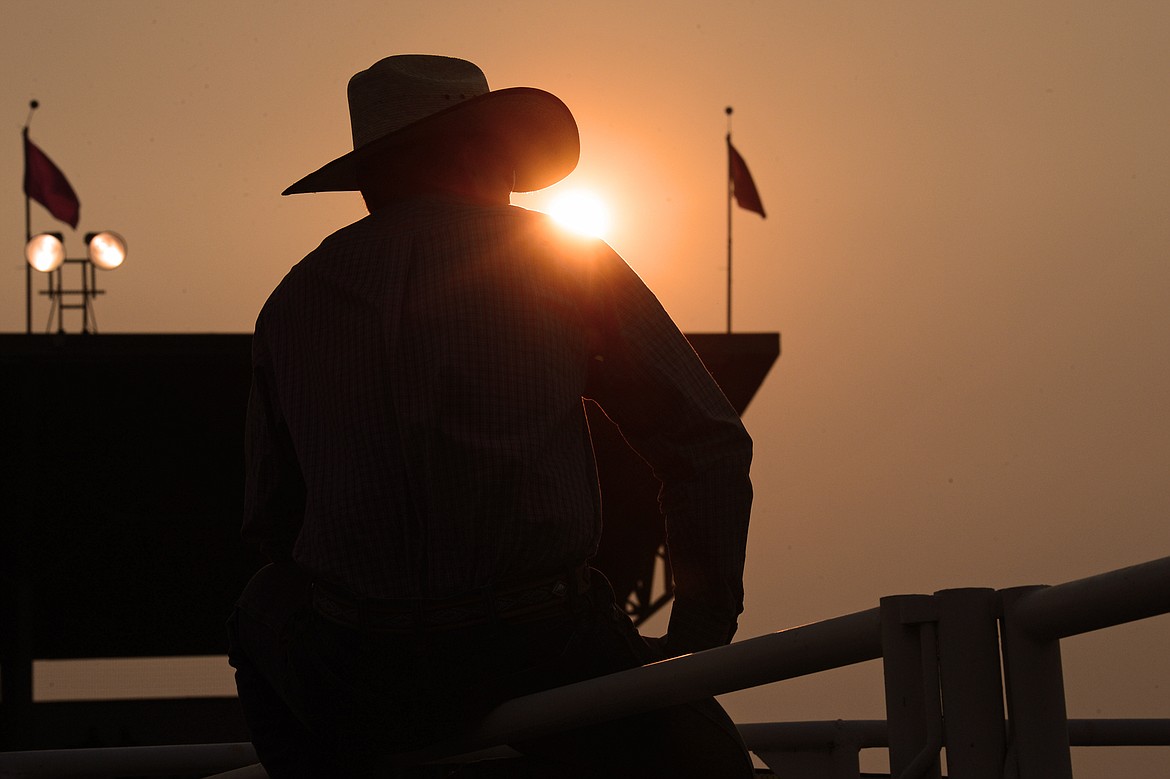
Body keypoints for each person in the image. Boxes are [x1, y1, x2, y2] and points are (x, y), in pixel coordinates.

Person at [228, 54, 754, 778]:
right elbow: (707, 440)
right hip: (544, 645)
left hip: (367, 671)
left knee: (261, 607)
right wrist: (696, 640)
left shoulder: (292, 301)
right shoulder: (561, 258)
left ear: (373, 178)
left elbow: (273, 517)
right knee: (717, 765)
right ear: (477, 152)